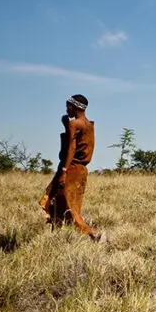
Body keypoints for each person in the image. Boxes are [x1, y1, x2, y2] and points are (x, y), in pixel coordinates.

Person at [39, 95, 100, 241]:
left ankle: (92, 234)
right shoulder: (89, 125)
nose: (67, 110)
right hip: (81, 170)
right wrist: (66, 126)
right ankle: (58, 237)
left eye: (68, 107)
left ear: (74, 107)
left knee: (70, 207)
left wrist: (64, 172)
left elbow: (71, 149)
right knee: (62, 203)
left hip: (71, 169)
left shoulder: (75, 124)